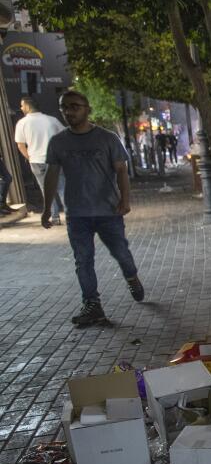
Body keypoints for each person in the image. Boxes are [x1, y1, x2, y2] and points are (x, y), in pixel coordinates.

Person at [42, 90, 144, 327]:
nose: (69, 111)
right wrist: (47, 207)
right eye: (64, 107)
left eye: (74, 106)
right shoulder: (58, 142)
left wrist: (124, 200)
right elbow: (51, 175)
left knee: (121, 254)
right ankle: (92, 304)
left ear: (87, 109)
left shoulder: (107, 138)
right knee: (83, 260)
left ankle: (132, 277)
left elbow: (121, 170)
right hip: (77, 213)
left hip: (108, 211)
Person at [14, 96, 66, 223]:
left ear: (27, 106)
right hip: (54, 159)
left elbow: (20, 145)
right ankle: (70, 215)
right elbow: (65, 136)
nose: (21, 108)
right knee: (61, 187)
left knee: (45, 188)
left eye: (22, 105)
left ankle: (54, 217)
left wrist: (29, 157)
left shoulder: (22, 123)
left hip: (36, 161)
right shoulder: (51, 120)